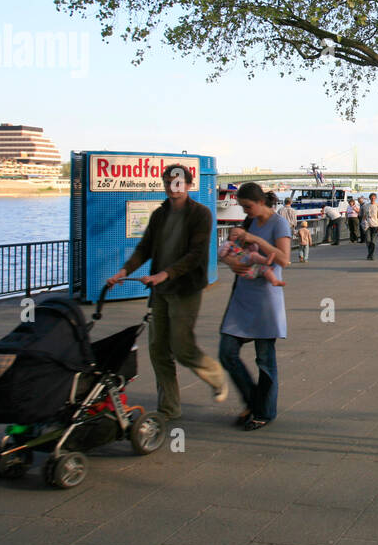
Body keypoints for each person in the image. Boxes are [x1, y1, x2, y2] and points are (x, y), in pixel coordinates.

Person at [106, 164, 228, 420]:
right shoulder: (159, 215)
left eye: (178, 182)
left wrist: (165, 274)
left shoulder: (201, 214)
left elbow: (196, 254)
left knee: (182, 348)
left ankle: (215, 375)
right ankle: (169, 409)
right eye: (168, 182)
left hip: (185, 289)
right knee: (158, 349)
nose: (172, 187)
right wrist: (124, 271)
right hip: (160, 291)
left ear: (188, 185)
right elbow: (144, 248)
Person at [218, 183, 291, 432]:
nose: (244, 211)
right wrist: (230, 261)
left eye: (247, 206)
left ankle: (264, 411)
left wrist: (256, 239)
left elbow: (284, 259)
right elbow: (234, 250)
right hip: (242, 297)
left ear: (260, 202)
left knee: (265, 360)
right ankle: (253, 401)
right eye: (242, 206)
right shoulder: (248, 222)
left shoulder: (279, 223)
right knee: (226, 352)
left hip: (265, 300)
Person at [361, 192, 378, 260]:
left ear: (375, 198)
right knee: (368, 240)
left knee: (373, 241)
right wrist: (362, 223)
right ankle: (370, 253)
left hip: (375, 225)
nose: (372, 199)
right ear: (369, 198)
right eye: (371, 198)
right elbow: (364, 216)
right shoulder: (366, 206)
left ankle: (371, 254)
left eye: (374, 198)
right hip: (367, 225)